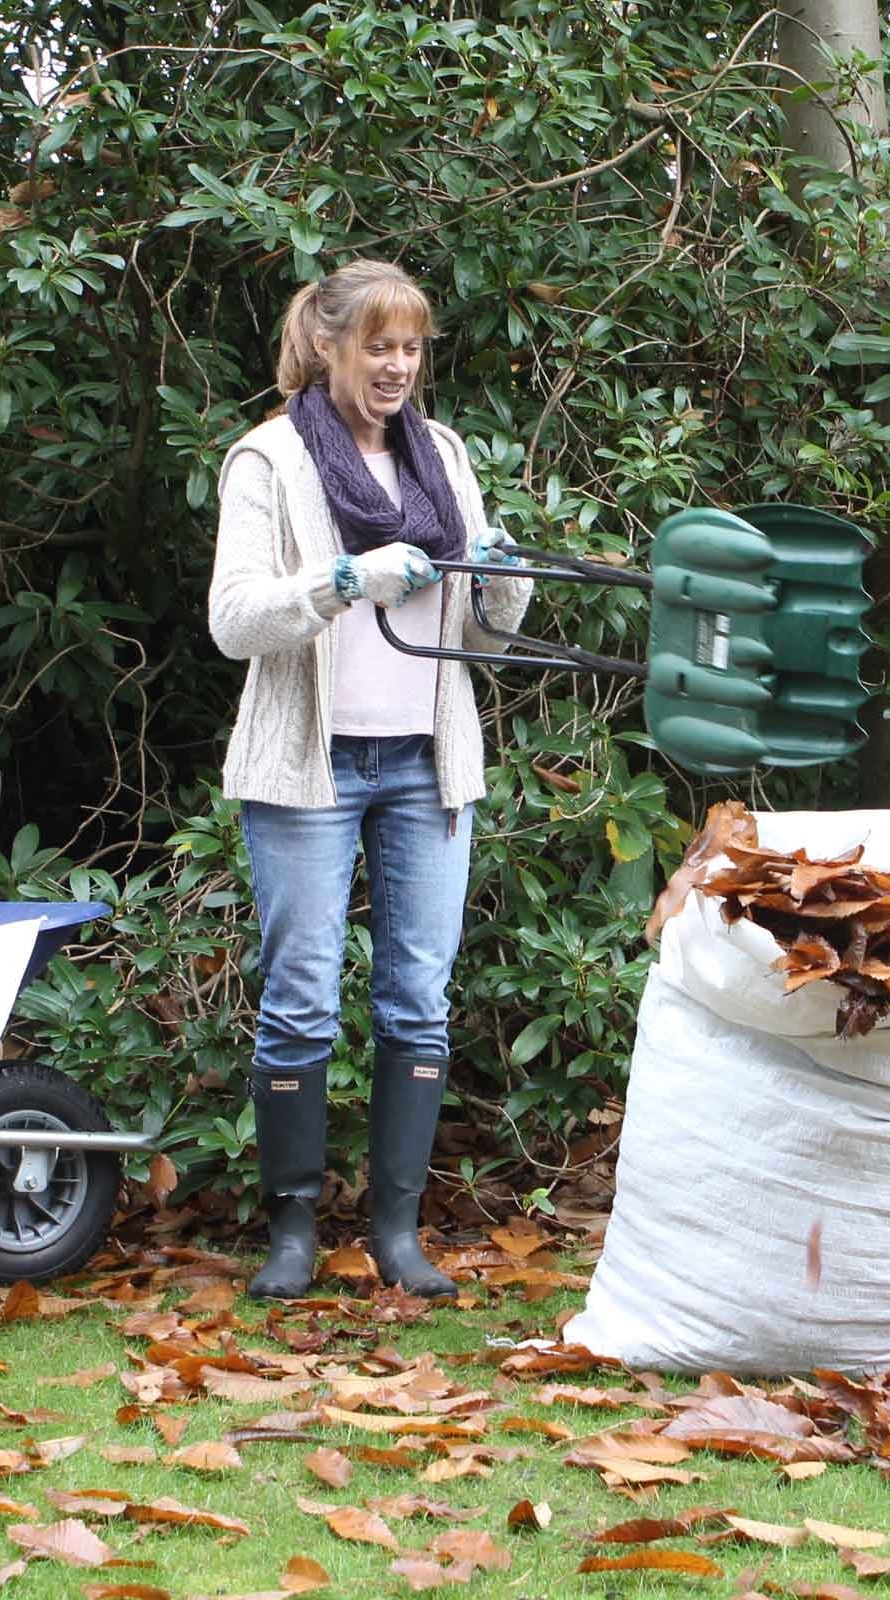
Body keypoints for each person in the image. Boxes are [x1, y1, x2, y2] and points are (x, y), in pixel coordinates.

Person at [209, 258, 531, 1301]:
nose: (397, 366)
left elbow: (483, 635)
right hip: (310, 765)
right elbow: (235, 621)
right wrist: (345, 579)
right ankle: (293, 1233)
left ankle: (396, 1233)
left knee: (418, 1002)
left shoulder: (440, 454)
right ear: (330, 347)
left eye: (412, 347)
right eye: (378, 346)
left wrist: (504, 576)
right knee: (303, 1000)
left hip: (427, 766)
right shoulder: (268, 459)